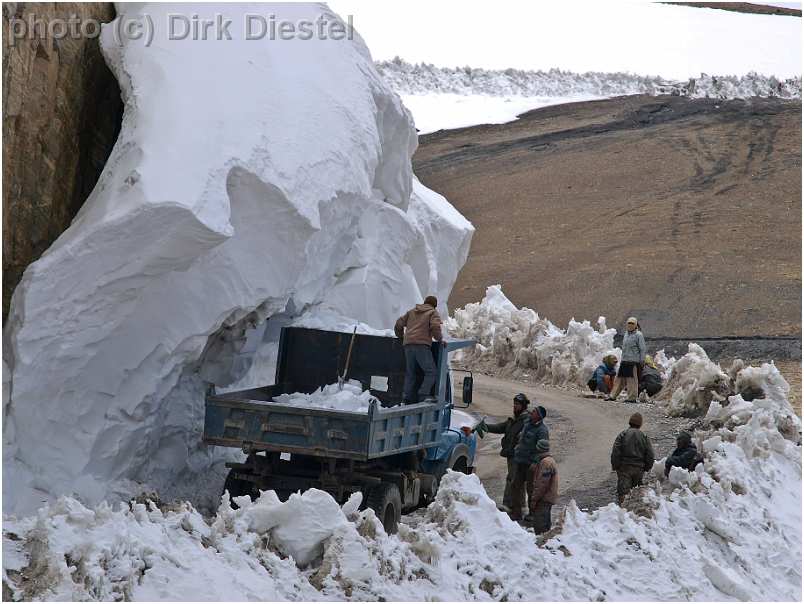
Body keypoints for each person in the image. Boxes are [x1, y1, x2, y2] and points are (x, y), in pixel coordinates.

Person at [473, 393, 530, 512]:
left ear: (524, 406)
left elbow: (527, 437)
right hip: (512, 455)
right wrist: (485, 427)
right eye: (514, 404)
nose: (515, 406)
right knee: (515, 480)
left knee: (513, 480)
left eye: (517, 404)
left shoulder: (526, 421)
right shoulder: (514, 420)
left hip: (519, 456)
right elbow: (500, 427)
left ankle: (509, 505)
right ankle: (520, 505)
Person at [394, 296, 443, 403]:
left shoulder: (412, 312)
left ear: (424, 302)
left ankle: (407, 397)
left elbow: (399, 323)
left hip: (408, 345)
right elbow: (435, 326)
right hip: (421, 345)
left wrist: (401, 336)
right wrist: (440, 339)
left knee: (410, 373)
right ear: (434, 305)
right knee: (431, 372)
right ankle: (423, 394)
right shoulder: (433, 313)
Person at [509, 405, 549, 521]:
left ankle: (533, 514)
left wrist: (536, 462)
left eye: (535, 411)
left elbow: (543, 449)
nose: (532, 412)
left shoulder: (542, 430)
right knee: (515, 486)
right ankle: (516, 513)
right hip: (520, 461)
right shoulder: (527, 424)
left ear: (539, 416)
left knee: (531, 490)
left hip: (531, 465)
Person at [610, 412, 655, 505]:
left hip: (624, 468)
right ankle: (635, 513)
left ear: (630, 422)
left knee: (623, 493)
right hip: (639, 469)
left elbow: (616, 451)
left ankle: (623, 512)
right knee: (636, 493)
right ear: (640, 424)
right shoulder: (644, 436)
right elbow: (650, 454)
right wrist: (647, 467)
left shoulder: (623, 434)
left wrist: (615, 466)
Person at [607, 317, 646, 403]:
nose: (630, 325)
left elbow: (642, 349)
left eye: (632, 323)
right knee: (619, 379)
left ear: (635, 325)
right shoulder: (626, 334)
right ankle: (613, 396)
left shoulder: (638, 335)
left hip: (633, 362)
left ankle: (632, 398)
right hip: (625, 361)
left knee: (632, 381)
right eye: (629, 323)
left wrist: (642, 360)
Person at [529, 439, 559, 534]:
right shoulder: (547, 460)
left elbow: (541, 484)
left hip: (544, 499)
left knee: (540, 525)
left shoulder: (545, 463)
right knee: (545, 523)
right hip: (547, 498)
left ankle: (541, 545)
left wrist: (534, 499)